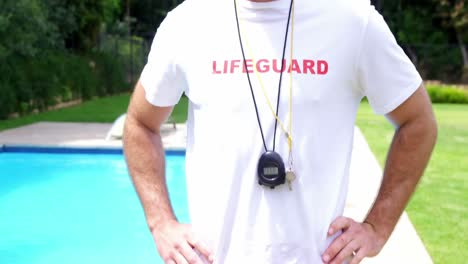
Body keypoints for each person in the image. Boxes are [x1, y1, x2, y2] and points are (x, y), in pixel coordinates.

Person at [123, 0, 437, 263]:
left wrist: (377, 227)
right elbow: (140, 123)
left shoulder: (352, 22)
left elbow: (418, 122)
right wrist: (161, 222)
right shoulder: (189, 23)